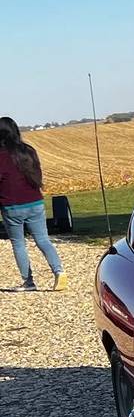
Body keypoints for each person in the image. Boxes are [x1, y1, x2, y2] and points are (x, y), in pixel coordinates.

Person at [0, 116, 66, 291]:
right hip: (35, 201)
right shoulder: (29, 151)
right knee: (43, 240)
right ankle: (59, 271)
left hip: (12, 206)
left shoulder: (1, 157)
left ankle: (28, 282)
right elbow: (37, 173)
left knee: (19, 243)